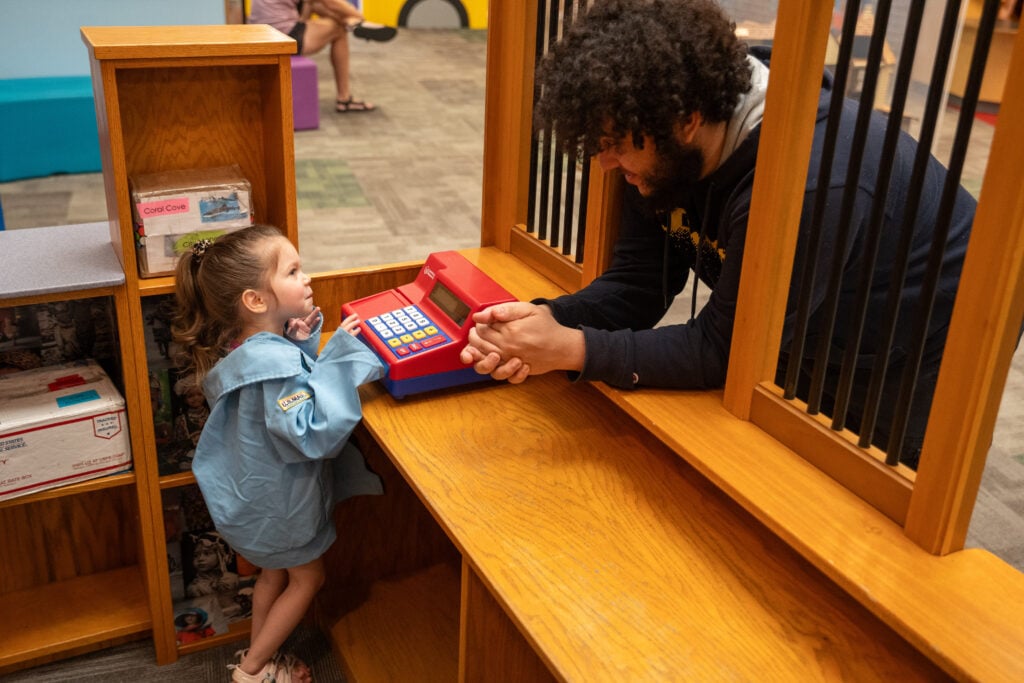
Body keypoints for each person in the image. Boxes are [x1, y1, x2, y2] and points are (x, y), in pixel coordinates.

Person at [459, 0, 981, 469]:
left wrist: (572, 349)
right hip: (804, 311)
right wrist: (550, 319)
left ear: (686, 120)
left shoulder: (803, 181)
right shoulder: (656, 136)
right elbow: (640, 284)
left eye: (616, 144)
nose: (605, 164)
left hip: (920, 328)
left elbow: (724, 349)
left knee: (858, 491)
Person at [173, 224, 386, 682]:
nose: (306, 278)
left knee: (272, 576)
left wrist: (303, 347)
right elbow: (310, 429)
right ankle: (252, 671)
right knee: (309, 579)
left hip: (253, 502)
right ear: (255, 300)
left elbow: (275, 391)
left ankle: (259, 656)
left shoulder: (244, 348)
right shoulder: (275, 366)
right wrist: (337, 359)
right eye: (293, 271)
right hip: (281, 506)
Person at [249, 0, 397, 112]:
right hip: (281, 36)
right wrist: (359, 17)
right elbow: (332, 3)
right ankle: (344, 98)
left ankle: (352, 22)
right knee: (338, 29)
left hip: (260, 31)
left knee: (314, 5)